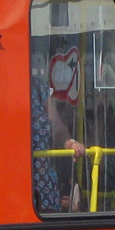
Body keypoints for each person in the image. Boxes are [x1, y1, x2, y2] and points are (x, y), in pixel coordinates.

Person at [31, 71, 87, 212]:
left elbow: (55, 126)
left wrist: (70, 143)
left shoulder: (38, 87)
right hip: (12, 179)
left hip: (43, 181)